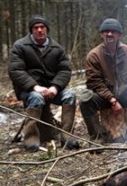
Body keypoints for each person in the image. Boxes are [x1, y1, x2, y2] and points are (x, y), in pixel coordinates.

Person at [8, 15, 80, 151]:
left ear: (47, 29)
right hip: (29, 90)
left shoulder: (57, 48)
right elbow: (15, 71)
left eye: (42, 27)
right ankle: (31, 140)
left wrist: (55, 87)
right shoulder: (20, 46)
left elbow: (65, 70)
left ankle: (67, 137)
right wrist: (35, 87)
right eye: (36, 28)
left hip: (52, 89)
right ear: (31, 30)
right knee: (36, 97)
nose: (39, 30)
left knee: (69, 95)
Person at [80, 18, 127, 143]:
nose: (109, 34)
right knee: (86, 102)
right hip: (105, 97)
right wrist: (112, 99)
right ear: (101, 34)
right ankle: (97, 139)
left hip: (126, 94)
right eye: (106, 32)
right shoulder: (94, 55)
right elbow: (94, 83)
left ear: (119, 35)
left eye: (113, 32)